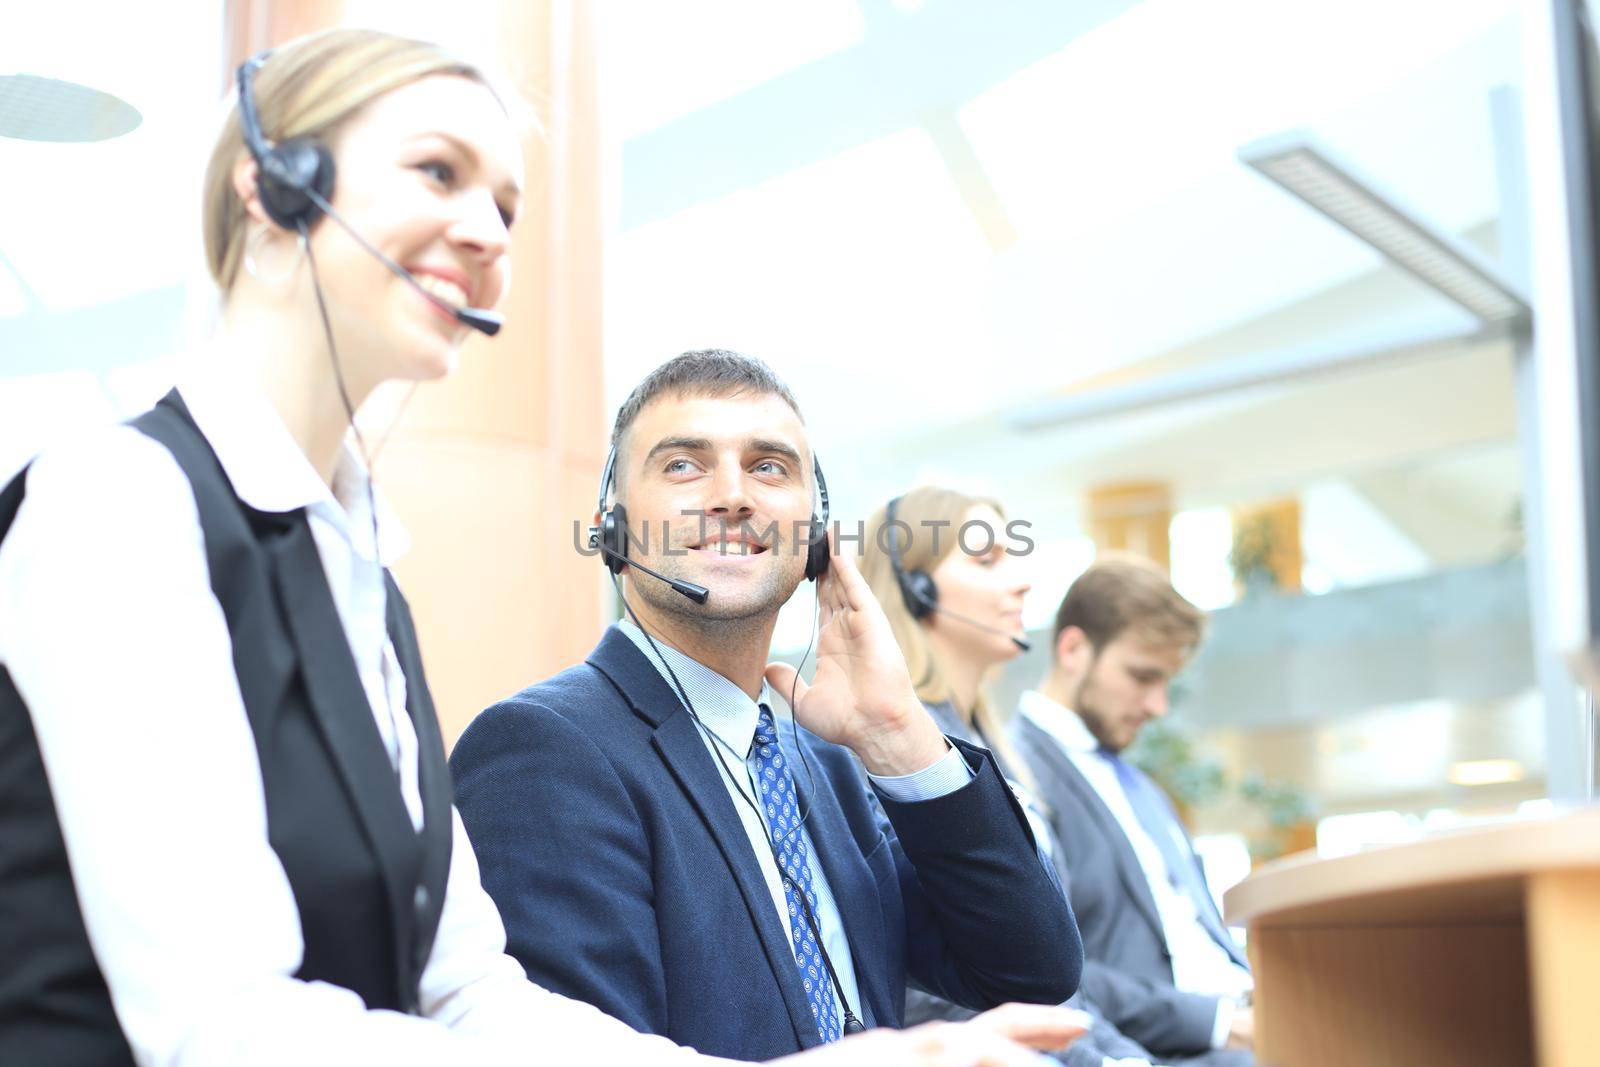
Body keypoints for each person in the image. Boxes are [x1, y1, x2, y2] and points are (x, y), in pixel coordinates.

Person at [0, 30, 1072, 1067]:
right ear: (268, 182)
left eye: (505, 205)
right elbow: (217, 1025)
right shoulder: (118, 498)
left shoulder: (361, 576)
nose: (486, 231)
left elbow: (470, 992)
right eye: (437, 172)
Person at [450, 350, 1086, 1062]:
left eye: (769, 467)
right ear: (614, 530)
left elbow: (1033, 968)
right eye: (684, 465)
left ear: (815, 538)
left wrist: (901, 735)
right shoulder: (543, 748)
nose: (732, 495)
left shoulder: (833, 767)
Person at [857, 489, 1252, 1067]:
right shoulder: (891, 757)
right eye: (985, 559)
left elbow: (1060, 979)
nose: (1022, 583)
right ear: (915, 587)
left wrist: (1121, 1060)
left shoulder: (997, 753)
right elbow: (930, 977)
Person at [1007, 557, 1255, 1065]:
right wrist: (1222, 1023)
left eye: (1166, 682)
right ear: (1074, 649)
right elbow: (1047, 970)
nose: (1157, 705)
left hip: (1246, 1015)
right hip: (1174, 1048)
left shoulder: (1139, 785)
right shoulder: (1014, 771)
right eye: (1143, 676)